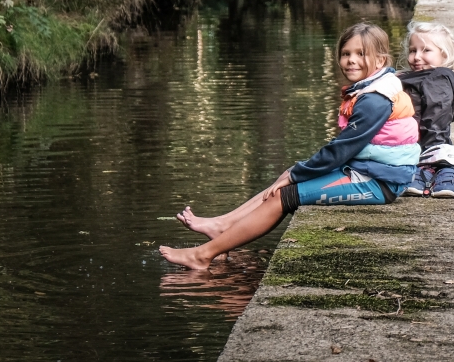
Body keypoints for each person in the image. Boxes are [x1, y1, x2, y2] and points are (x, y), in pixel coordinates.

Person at [162, 23, 419, 270]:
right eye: (345, 54)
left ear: (380, 60)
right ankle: (223, 226)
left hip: (378, 183)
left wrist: (296, 173)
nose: (351, 60)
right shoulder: (372, 88)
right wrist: (294, 172)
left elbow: (341, 150)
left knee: (284, 195)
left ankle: (202, 255)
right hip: (365, 171)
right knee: (284, 180)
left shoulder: (375, 100)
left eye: (360, 54)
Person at [397, 21, 454, 198]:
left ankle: (436, 169)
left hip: (427, 147)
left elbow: (436, 117)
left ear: (444, 55)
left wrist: (430, 154)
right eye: (413, 50)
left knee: (434, 155)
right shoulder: (415, 78)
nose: (416, 57)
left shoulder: (439, 79)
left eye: (426, 50)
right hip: (413, 144)